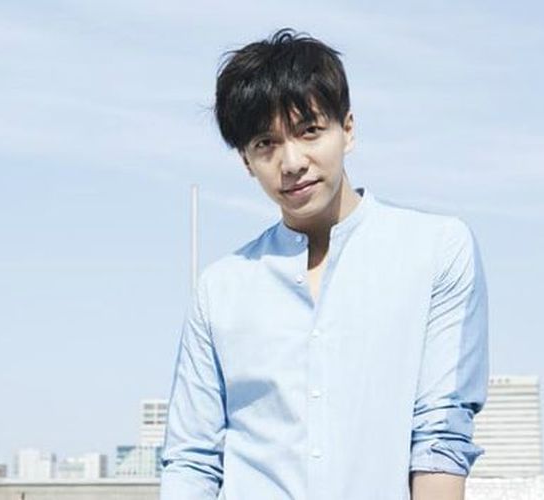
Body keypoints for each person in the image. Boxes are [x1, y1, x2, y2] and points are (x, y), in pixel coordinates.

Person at [159, 28, 488, 500]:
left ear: (347, 129)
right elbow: (191, 459)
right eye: (265, 143)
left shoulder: (437, 249)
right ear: (246, 161)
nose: (291, 162)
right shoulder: (219, 288)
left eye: (309, 131)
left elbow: (441, 432)